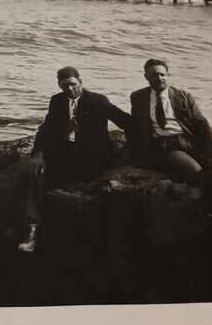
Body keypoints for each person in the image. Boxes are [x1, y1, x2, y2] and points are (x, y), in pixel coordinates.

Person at [129, 58, 212, 247]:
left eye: (162, 74)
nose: (158, 78)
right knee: (199, 175)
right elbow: (135, 125)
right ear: (146, 77)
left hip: (190, 142)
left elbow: (201, 123)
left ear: (168, 75)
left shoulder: (183, 97)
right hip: (167, 147)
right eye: (153, 75)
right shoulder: (138, 97)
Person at [18, 66, 132, 252]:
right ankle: (32, 231)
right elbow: (46, 128)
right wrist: (38, 154)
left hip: (93, 156)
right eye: (65, 86)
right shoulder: (57, 101)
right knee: (35, 176)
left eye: (72, 85)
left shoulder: (97, 101)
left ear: (80, 81)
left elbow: (125, 120)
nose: (69, 90)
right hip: (65, 154)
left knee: (62, 184)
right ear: (59, 86)